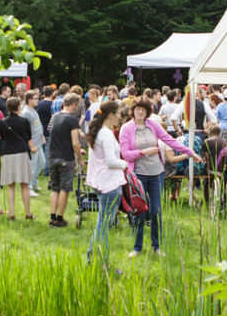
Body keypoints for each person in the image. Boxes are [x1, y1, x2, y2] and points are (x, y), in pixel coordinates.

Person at [119, 99, 203, 257]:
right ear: (133, 111)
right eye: (137, 109)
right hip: (138, 175)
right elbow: (125, 154)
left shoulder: (153, 125)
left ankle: (156, 246)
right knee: (140, 212)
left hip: (157, 173)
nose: (140, 112)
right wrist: (143, 152)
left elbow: (170, 140)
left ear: (147, 112)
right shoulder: (126, 128)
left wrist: (190, 152)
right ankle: (137, 248)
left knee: (156, 211)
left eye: (143, 110)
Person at [85, 100, 128, 265]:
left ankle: (94, 259)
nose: (119, 117)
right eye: (118, 114)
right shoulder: (106, 134)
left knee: (102, 224)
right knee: (103, 226)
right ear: (111, 115)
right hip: (109, 183)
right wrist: (125, 164)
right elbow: (111, 161)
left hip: (101, 182)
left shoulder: (99, 132)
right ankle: (101, 262)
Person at [47, 93, 84, 227]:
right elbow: (75, 143)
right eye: (77, 105)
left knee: (55, 189)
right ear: (74, 104)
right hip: (65, 158)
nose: (77, 108)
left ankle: (52, 218)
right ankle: (60, 219)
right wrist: (80, 159)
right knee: (64, 189)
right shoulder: (72, 120)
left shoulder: (55, 116)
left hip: (52, 157)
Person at [0, 96, 36, 220]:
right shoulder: (24, 121)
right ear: (19, 106)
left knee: (11, 185)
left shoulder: (2, 122)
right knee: (25, 185)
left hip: (7, 153)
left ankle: (12, 213)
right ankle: (27, 213)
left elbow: (2, 136)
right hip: (21, 152)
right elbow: (28, 136)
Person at [21, 90, 45, 195]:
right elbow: (25, 131)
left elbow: (37, 125)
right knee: (32, 166)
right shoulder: (26, 112)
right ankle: (29, 188)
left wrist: (42, 136)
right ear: (29, 100)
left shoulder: (33, 110)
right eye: (36, 98)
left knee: (42, 163)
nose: (38, 101)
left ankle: (34, 183)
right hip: (32, 144)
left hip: (38, 142)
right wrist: (31, 145)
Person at [37, 86, 54, 176]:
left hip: (40, 129)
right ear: (52, 93)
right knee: (48, 151)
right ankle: (46, 170)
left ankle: (38, 169)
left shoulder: (39, 103)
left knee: (40, 151)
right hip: (49, 129)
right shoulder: (53, 104)